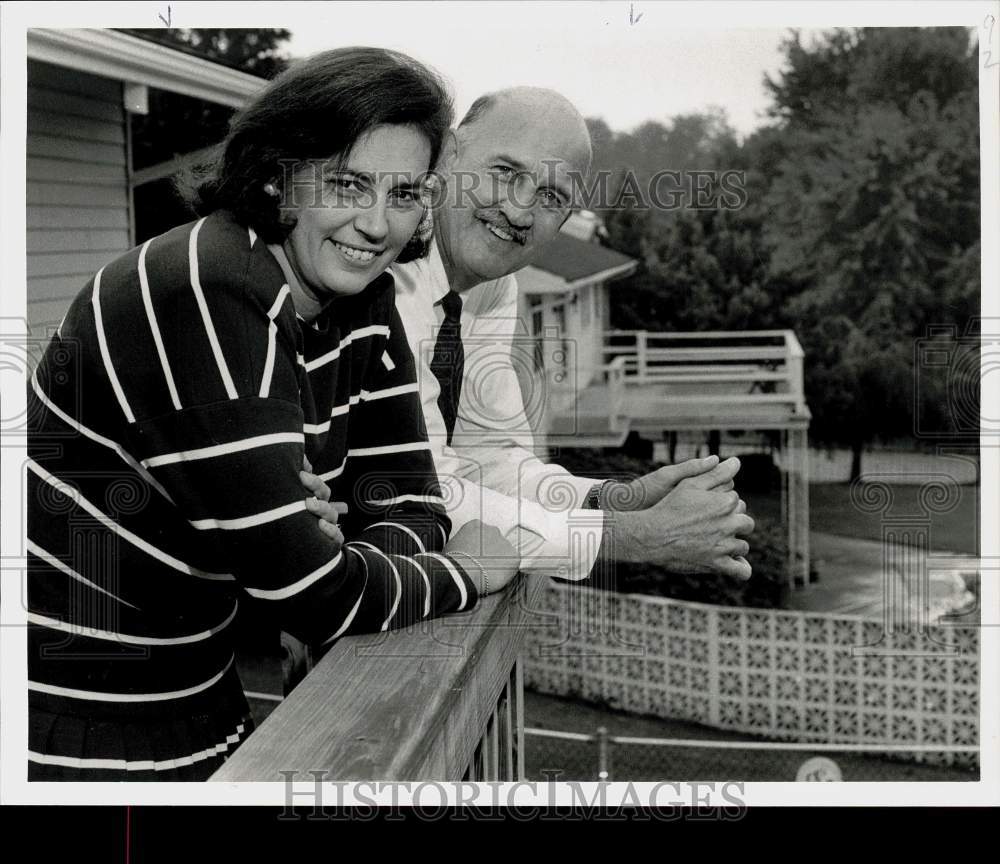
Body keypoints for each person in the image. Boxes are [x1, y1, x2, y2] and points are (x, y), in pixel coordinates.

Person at [25, 47, 515, 782]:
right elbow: (316, 596)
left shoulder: (361, 296)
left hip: (203, 701)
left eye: (406, 193)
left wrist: (334, 538)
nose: (377, 224)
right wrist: (469, 569)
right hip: (68, 727)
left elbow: (407, 494)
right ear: (274, 175)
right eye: (347, 184)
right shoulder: (202, 287)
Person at [393, 87, 754, 584]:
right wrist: (631, 537)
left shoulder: (494, 287)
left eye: (550, 196)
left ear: (564, 219)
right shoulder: (391, 272)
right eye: (505, 172)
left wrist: (611, 499)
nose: (520, 212)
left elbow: (489, 457)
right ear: (449, 155)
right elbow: (426, 488)